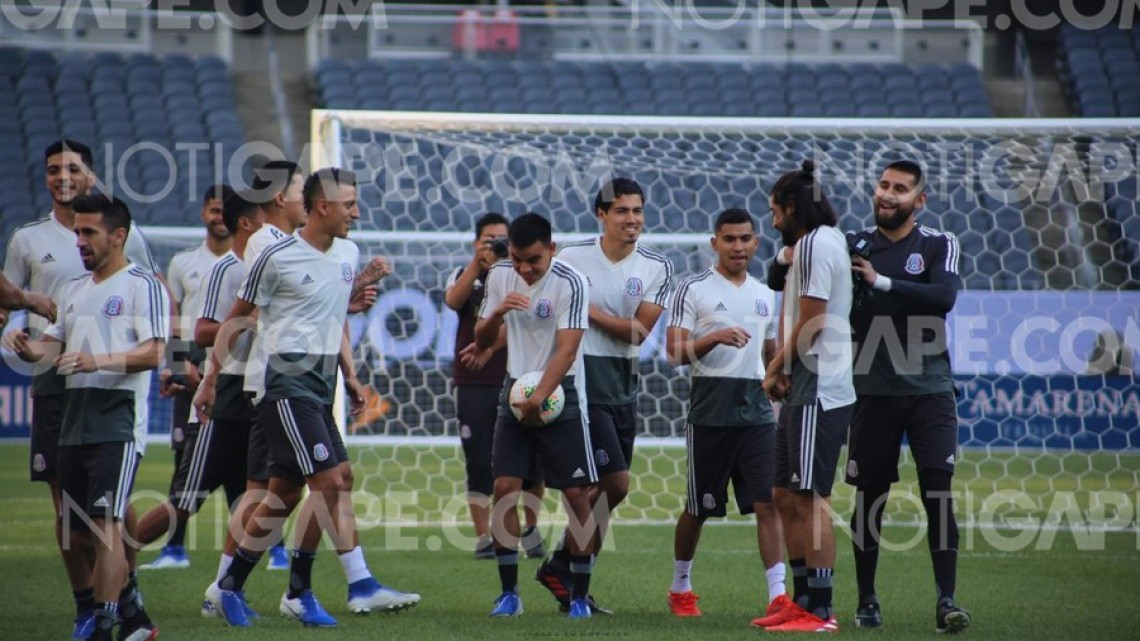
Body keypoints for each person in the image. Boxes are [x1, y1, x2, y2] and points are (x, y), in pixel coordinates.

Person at [199, 168, 417, 627]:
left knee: (285, 492)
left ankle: (228, 587)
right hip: (284, 385)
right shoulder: (274, 254)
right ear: (323, 207)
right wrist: (211, 379)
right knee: (330, 481)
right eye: (349, 204)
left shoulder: (348, 253)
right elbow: (238, 318)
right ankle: (300, 590)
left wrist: (352, 376)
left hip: (320, 387)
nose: (356, 213)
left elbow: (331, 312)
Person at [0, 139, 159, 639]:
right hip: (64, 408)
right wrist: (29, 351)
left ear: (118, 236)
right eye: (53, 169)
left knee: (109, 516)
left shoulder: (138, 279)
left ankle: (110, 614)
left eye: (89, 234)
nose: (80, 242)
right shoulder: (59, 274)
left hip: (114, 412)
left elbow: (157, 349)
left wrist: (96, 358)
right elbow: (50, 342)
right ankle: (111, 606)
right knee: (72, 519)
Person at [842, 160, 971, 632]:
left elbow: (944, 298)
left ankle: (947, 601)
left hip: (930, 390)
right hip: (872, 391)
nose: (888, 194)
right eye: (883, 185)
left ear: (919, 201)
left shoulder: (938, 244)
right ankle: (868, 599)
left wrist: (881, 283)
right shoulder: (852, 243)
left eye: (900, 189)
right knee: (870, 497)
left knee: (938, 491)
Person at [541, 178, 672, 612]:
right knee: (610, 483)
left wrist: (584, 308)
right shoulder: (571, 257)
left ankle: (564, 567)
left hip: (622, 388)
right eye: (621, 211)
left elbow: (637, 331)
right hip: (578, 386)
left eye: (637, 211)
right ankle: (572, 581)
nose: (631, 219)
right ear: (601, 214)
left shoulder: (657, 266)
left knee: (611, 492)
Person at [474, 212, 598, 619]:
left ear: (552, 250)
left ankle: (578, 597)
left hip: (561, 397)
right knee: (505, 486)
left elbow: (567, 349)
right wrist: (495, 314)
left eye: (533, 260)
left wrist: (539, 399)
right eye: (517, 258)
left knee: (578, 495)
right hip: (515, 394)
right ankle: (508, 594)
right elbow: (483, 339)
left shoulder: (571, 283)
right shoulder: (499, 277)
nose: (524, 269)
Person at [663, 208, 783, 621]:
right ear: (714, 242)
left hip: (756, 415)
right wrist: (713, 336)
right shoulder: (691, 289)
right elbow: (674, 353)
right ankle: (681, 586)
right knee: (699, 508)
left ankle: (778, 596)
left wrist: (780, 378)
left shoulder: (766, 294)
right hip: (710, 413)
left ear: (756, 243)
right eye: (729, 239)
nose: (738, 246)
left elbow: (772, 356)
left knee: (768, 503)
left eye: (745, 239)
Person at [761, 160, 855, 633]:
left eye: (776, 211)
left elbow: (813, 320)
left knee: (811, 495)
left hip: (819, 386)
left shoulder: (818, 244)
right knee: (784, 492)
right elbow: (785, 292)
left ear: (793, 209)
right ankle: (798, 600)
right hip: (803, 385)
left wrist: (775, 366)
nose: (773, 221)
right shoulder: (814, 244)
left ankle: (820, 608)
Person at [140, 183, 235, 570]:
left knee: (246, 464)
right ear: (203, 214)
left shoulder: (249, 261)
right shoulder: (183, 263)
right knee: (186, 458)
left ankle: (273, 548)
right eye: (214, 210)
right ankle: (174, 548)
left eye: (226, 211)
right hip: (193, 363)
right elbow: (175, 319)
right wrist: (179, 365)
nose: (219, 217)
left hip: (233, 366)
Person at [444, 212, 546, 560]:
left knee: (532, 460)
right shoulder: (465, 274)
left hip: (521, 374)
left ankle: (531, 531)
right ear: (477, 242)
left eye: (504, 240)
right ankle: (483, 537)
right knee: (478, 459)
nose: (499, 246)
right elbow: (452, 301)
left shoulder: (523, 275)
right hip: (474, 380)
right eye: (491, 240)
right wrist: (478, 263)